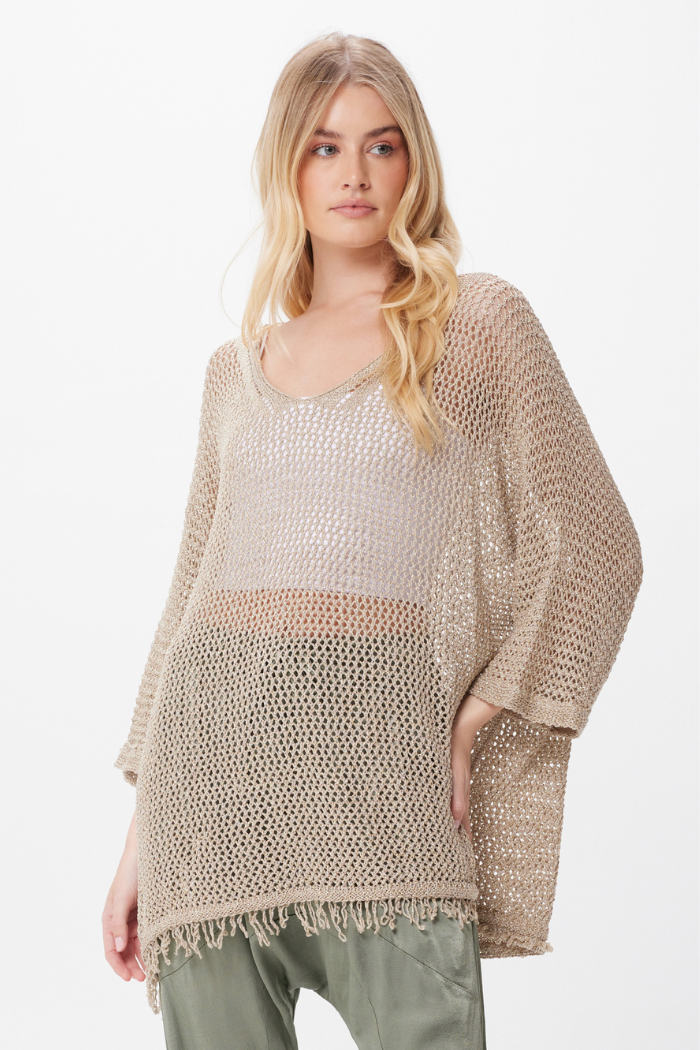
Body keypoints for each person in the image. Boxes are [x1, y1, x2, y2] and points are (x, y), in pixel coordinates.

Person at [102, 31, 643, 1050]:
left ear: (412, 164)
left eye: (380, 146)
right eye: (324, 147)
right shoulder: (234, 370)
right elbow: (188, 599)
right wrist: (140, 843)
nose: (353, 173)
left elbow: (596, 545)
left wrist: (475, 720)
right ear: (287, 167)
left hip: (384, 789)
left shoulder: (474, 325)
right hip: (210, 800)